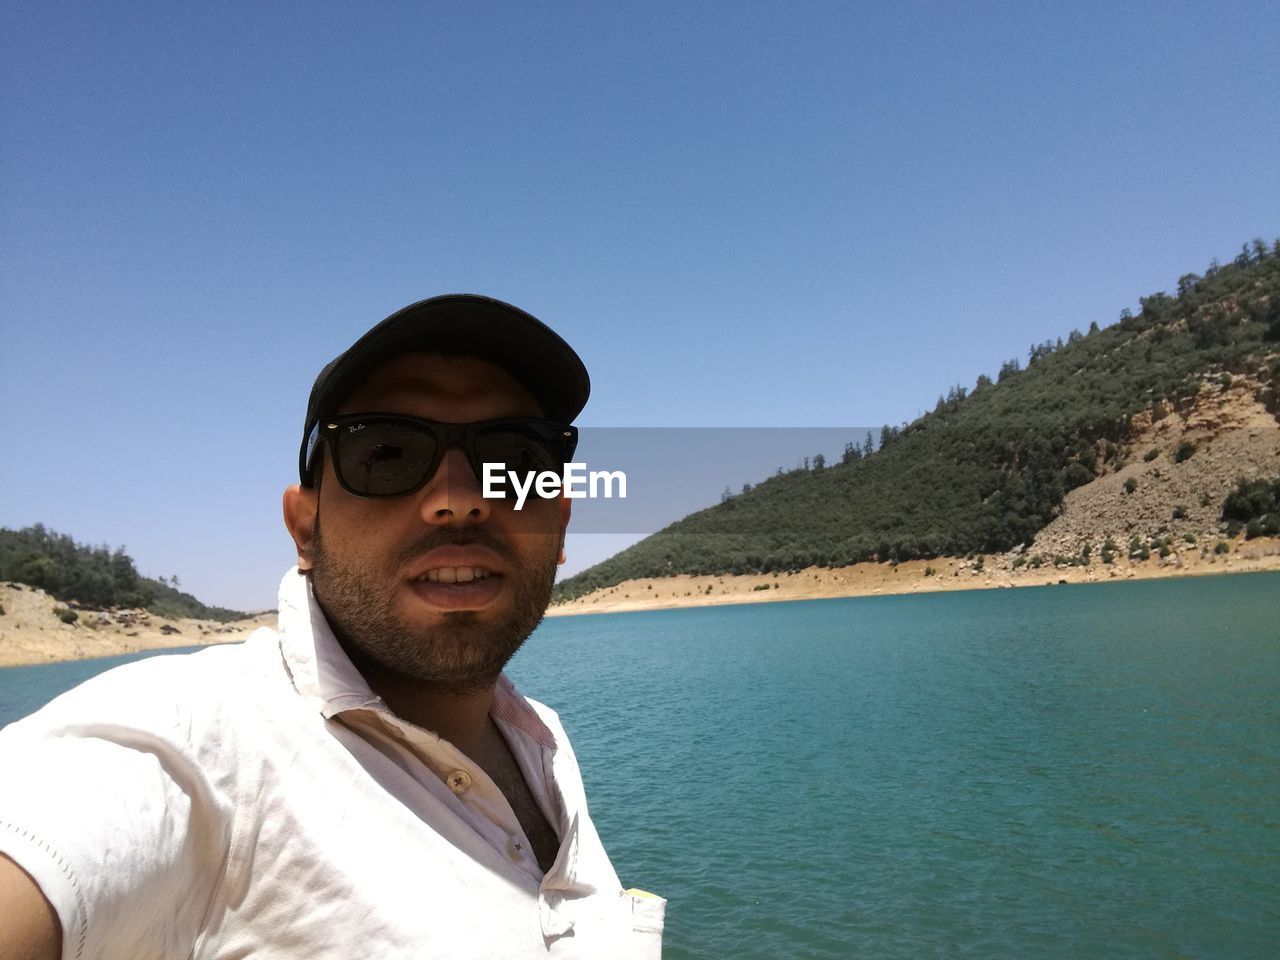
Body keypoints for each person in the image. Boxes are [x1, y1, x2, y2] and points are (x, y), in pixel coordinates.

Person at [0, 294, 665, 959]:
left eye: (517, 457)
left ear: (559, 526)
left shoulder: (542, 739)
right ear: (304, 531)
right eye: (388, 452)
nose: (461, 497)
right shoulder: (194, 749)